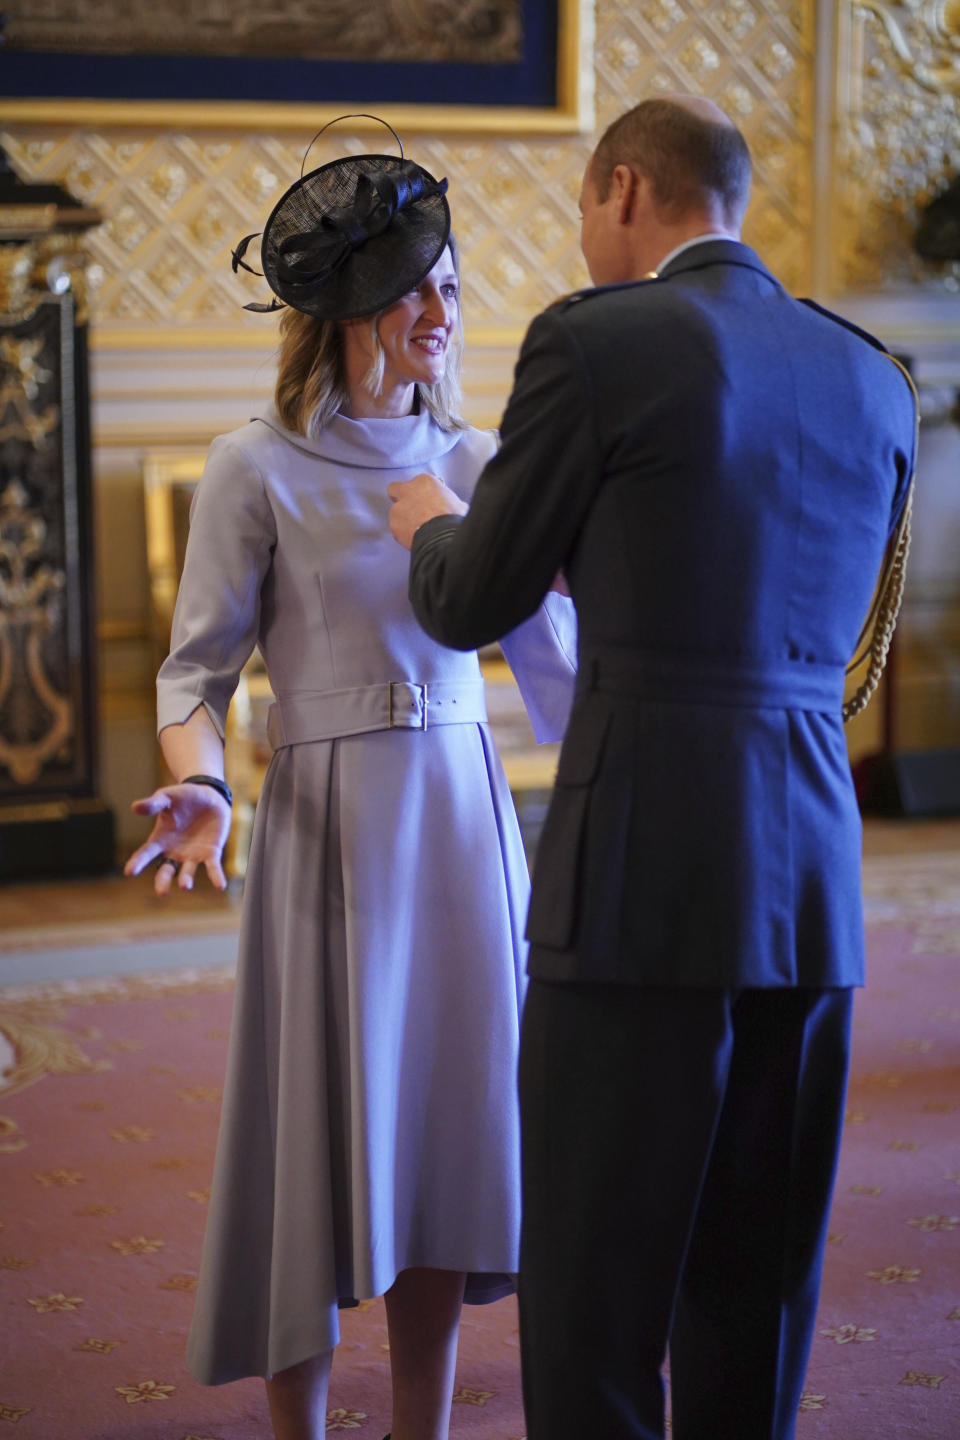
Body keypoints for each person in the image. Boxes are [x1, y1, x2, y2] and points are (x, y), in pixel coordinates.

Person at [388, 95, 917, 1440]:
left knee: (597, 1293)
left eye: (582, 206)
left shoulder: (596, 341)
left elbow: (472, 597)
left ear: (626, 187)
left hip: (637, 877)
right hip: (809, 881)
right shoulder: (870, 372)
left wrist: (428, 525)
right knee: (762, 1281)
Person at [124, 128, 576, 1440]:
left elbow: (556, 673)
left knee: (440, 1136)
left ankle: (419, 1430)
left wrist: (561, 585)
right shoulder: (250, 467)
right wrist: (205, 790)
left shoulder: (483, 465)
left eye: (453, 285)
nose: (445, 311)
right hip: (325, 835)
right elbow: (189, 679)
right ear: (348, 307)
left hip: (460, 817)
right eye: (421, 286)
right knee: (315, 1152)